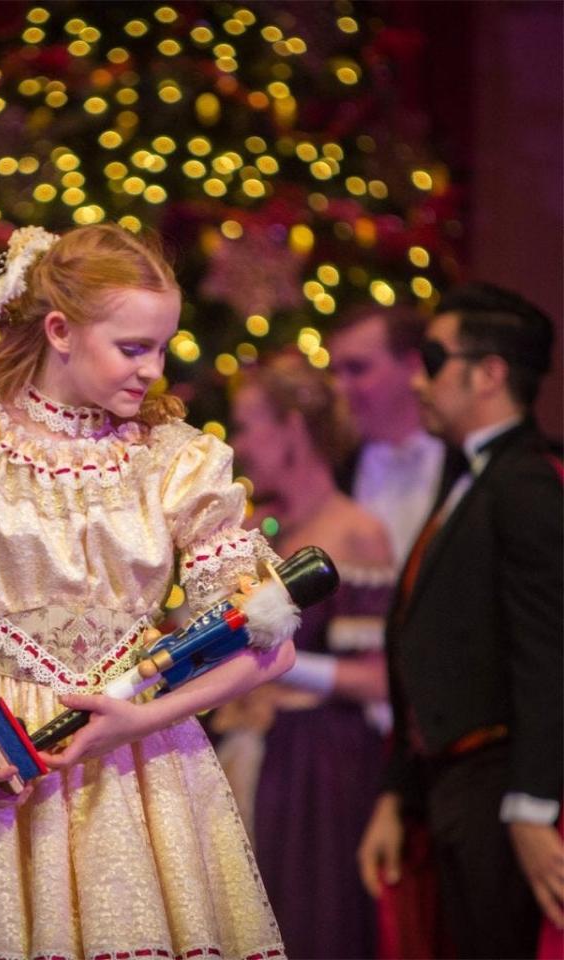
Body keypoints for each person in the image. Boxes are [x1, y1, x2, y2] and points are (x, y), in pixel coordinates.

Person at [0, 223, 296, 959]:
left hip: (142, 767)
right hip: (2, 765)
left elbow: (269, 650)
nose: (152, 369)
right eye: (132, 347)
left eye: (161, 347)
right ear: (59, 329)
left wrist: (139, 720)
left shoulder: (178, 459)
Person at [357, 283, 564, 958]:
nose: (417, 381)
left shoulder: (528, 483)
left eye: (435, 359)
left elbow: (549, 650)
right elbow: (429, 643)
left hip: (499, 787)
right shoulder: (471, 478)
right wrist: (398, 794)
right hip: (449, 784)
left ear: (490, 373)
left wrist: (533, 805)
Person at [213, 354, 396, 959]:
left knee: (309, 925)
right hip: (252, 752)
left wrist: (276, 659)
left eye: (247, 425)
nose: (239, 444)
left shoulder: (354, 531)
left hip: (321, 765)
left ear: (291, 428)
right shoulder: (263, 528)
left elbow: (377, 678)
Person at [329, 305, 465, 569]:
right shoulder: (335, 470)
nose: (338, 387)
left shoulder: (464, 463)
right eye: (335, 372)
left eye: (356, 368)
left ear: (414, 366)